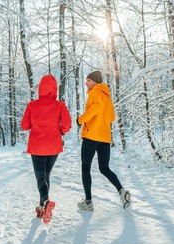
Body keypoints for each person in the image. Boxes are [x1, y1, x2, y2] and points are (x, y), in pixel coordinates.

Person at [76, 70, 131, 211]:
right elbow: (112, 117)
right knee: (104, 168)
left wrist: (80, 120)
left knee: (85, 168)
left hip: (91, 136)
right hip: (105, 138)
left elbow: (95, 109)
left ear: (95, 82)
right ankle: (121, 191)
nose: (86, 83)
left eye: (88, 80)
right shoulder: (107, 96)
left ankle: (88, 202)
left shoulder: (94, 92)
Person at [21, 74, 71, 220]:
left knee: (41, 178)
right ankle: (42, 207)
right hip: (53, 147)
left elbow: (24, 126)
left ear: (40, 88)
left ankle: (46, 201)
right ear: (54, 89)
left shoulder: (32, 105)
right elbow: (67, 125)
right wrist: (60, 131)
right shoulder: (60, 105)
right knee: (46, 175)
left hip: (37, 146)